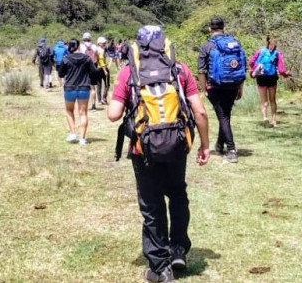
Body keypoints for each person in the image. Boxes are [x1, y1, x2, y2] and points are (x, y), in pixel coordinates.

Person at [107, 26, 210, 283]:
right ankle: (178, 250)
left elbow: (113, 114)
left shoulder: (129, 71)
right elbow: (200, 112)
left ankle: (160, 266)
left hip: (143, 150)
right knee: (177, 195)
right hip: (176, 145)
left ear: (139, 46)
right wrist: (205, 145)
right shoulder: (181, 70)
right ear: (164, 44)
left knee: (152, 205)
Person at [197, 17, 246, 163]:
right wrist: (240, 87)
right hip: (233, 84)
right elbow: (241, 66)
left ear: (209, 29)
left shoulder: (206, 45)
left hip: (215, 86)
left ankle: (231, 150)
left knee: (222, 116)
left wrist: (204, 87)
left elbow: (201, 70)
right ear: (224, 28)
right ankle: (219, 145)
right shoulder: (234, 43)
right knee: (225, 114)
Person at [59, 38, 96, 145]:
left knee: (69, 111)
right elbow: (93, 71)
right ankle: (82, 139)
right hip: (84, 87)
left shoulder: (66, 59)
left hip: (70, 88)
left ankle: (73, 133)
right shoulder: (87, 58)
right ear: (79, 46)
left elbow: (61, 74)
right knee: (83, 113)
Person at [248, 35, 290, 127]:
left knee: (264, 101)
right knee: (272, 100)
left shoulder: (260, 51)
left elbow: (251, 62)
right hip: (272, 78)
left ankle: (265, 118)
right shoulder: (278, 54)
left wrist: (254, 71)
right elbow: (281, 69)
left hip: (261, 77)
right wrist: (286, 74)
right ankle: (274, 121)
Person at [80, 32, 102, 111]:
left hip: (84, 68)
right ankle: (93, 106)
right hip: (93, 68)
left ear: (83, 39)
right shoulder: (94, 46)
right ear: (90, 38)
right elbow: (97, 58)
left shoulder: (81, 46)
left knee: (84, 88)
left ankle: (84, 105)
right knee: (93, 88)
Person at [96, 36, 110, 105]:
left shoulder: (96, 49)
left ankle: (99, 100)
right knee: (107, 84)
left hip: (97, 69)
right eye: (103, 43)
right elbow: (101, 61)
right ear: (99, 43)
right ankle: (104, 98)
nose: (104, 43)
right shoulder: (101, 50)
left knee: (99, 85)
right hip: (102, 68)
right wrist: (105, 70)